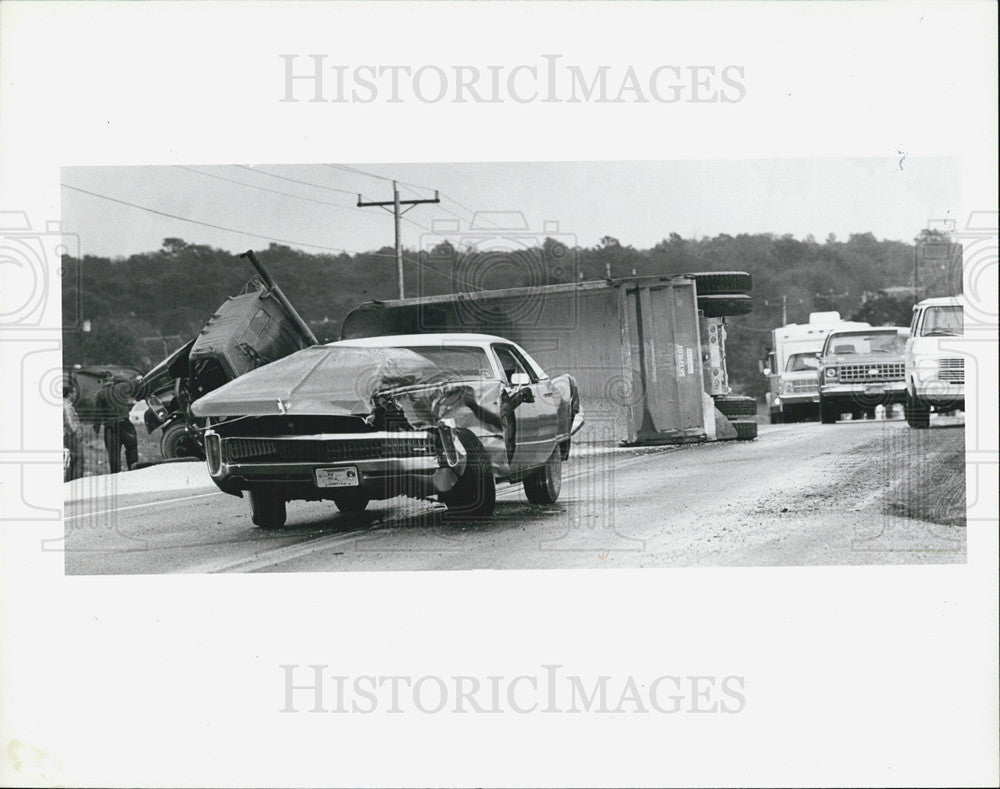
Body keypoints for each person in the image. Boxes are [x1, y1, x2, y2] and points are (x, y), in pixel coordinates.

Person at [94, 372, 138, 473]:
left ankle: (116, 477)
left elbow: (97, 413)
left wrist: (96, 428)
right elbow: (134, 383)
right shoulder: (122, 387)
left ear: (102, 382)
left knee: (113, 456)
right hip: (125, 424)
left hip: (111, 427)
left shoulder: (101, 394)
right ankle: (134, 473)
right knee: (132, 449)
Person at [63, 385, 84, 481]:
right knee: (77, 461)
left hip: (67, 437)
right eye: (74, 392)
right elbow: (70, 423)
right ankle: (76, 482)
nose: (75, 395)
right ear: (69, 394)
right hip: (72, 437)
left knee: (69, 462)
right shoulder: (67, 406)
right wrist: (78, 434)